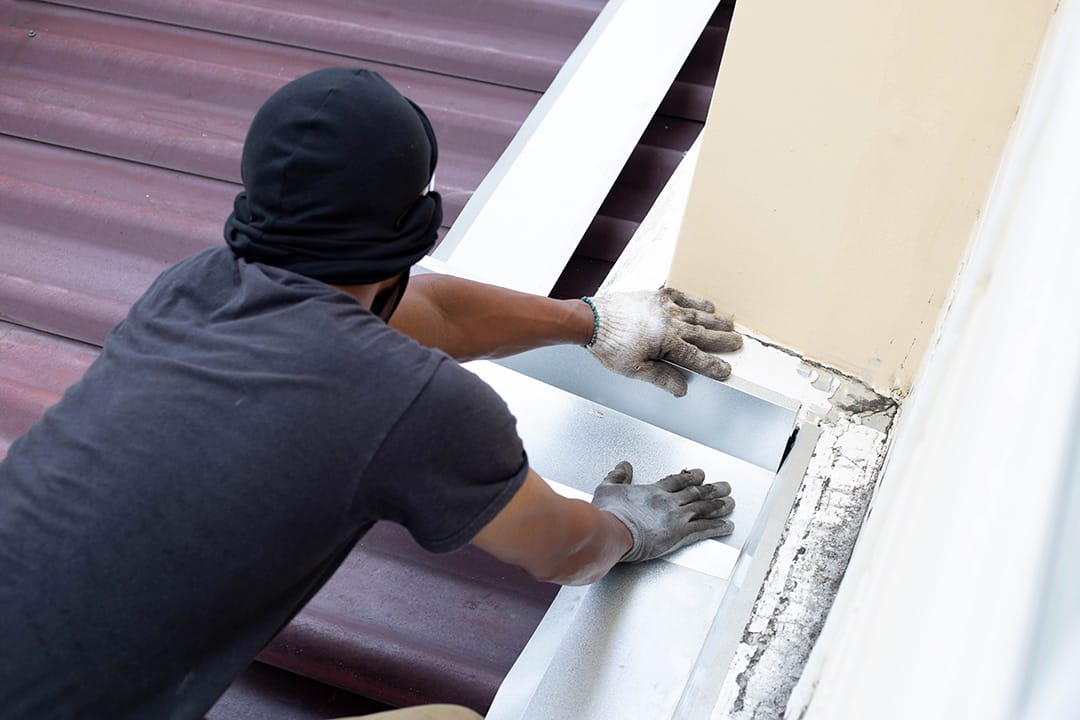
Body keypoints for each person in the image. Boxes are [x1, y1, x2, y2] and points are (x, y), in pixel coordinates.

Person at [0, 68, 743, 719]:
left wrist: (593, 322)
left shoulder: (191, 288)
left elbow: (429, 314)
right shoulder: (414, 403)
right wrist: (623, 525)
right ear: (414, 224)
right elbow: (565, 551)